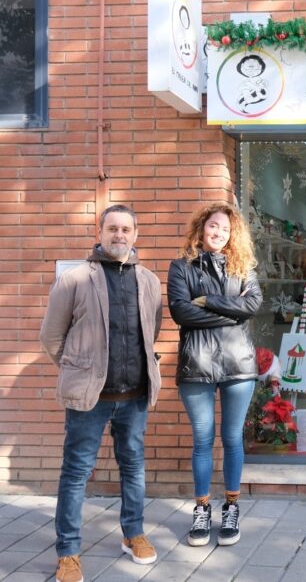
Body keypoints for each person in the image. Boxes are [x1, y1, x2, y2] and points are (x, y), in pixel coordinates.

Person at [40, 205, 163, 582]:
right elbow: (51, 337)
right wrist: (79, 369)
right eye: (112, 228)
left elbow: (150, 332)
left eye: (126, 228)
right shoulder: (76, 280)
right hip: (89, 399)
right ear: (100, 232)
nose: (119, 235)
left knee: (133, 469)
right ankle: (68, 552)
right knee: (76, 473)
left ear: (136, 234)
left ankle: (133, 533)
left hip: (135, 396)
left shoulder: (149, 281)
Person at [167, 203, 263, 548]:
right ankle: (202, 509)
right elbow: (181, 312)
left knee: (233, 438)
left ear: (232, 233)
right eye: (213, 227)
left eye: (224, 228)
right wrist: (230, 313)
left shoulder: (245, 267)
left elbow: (252, 306)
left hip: (239, 366)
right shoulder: (181, 267)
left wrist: (207, 300)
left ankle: (232, 507)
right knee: (202, 440)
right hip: (197, 364)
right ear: (201, 229)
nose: (218, 233)